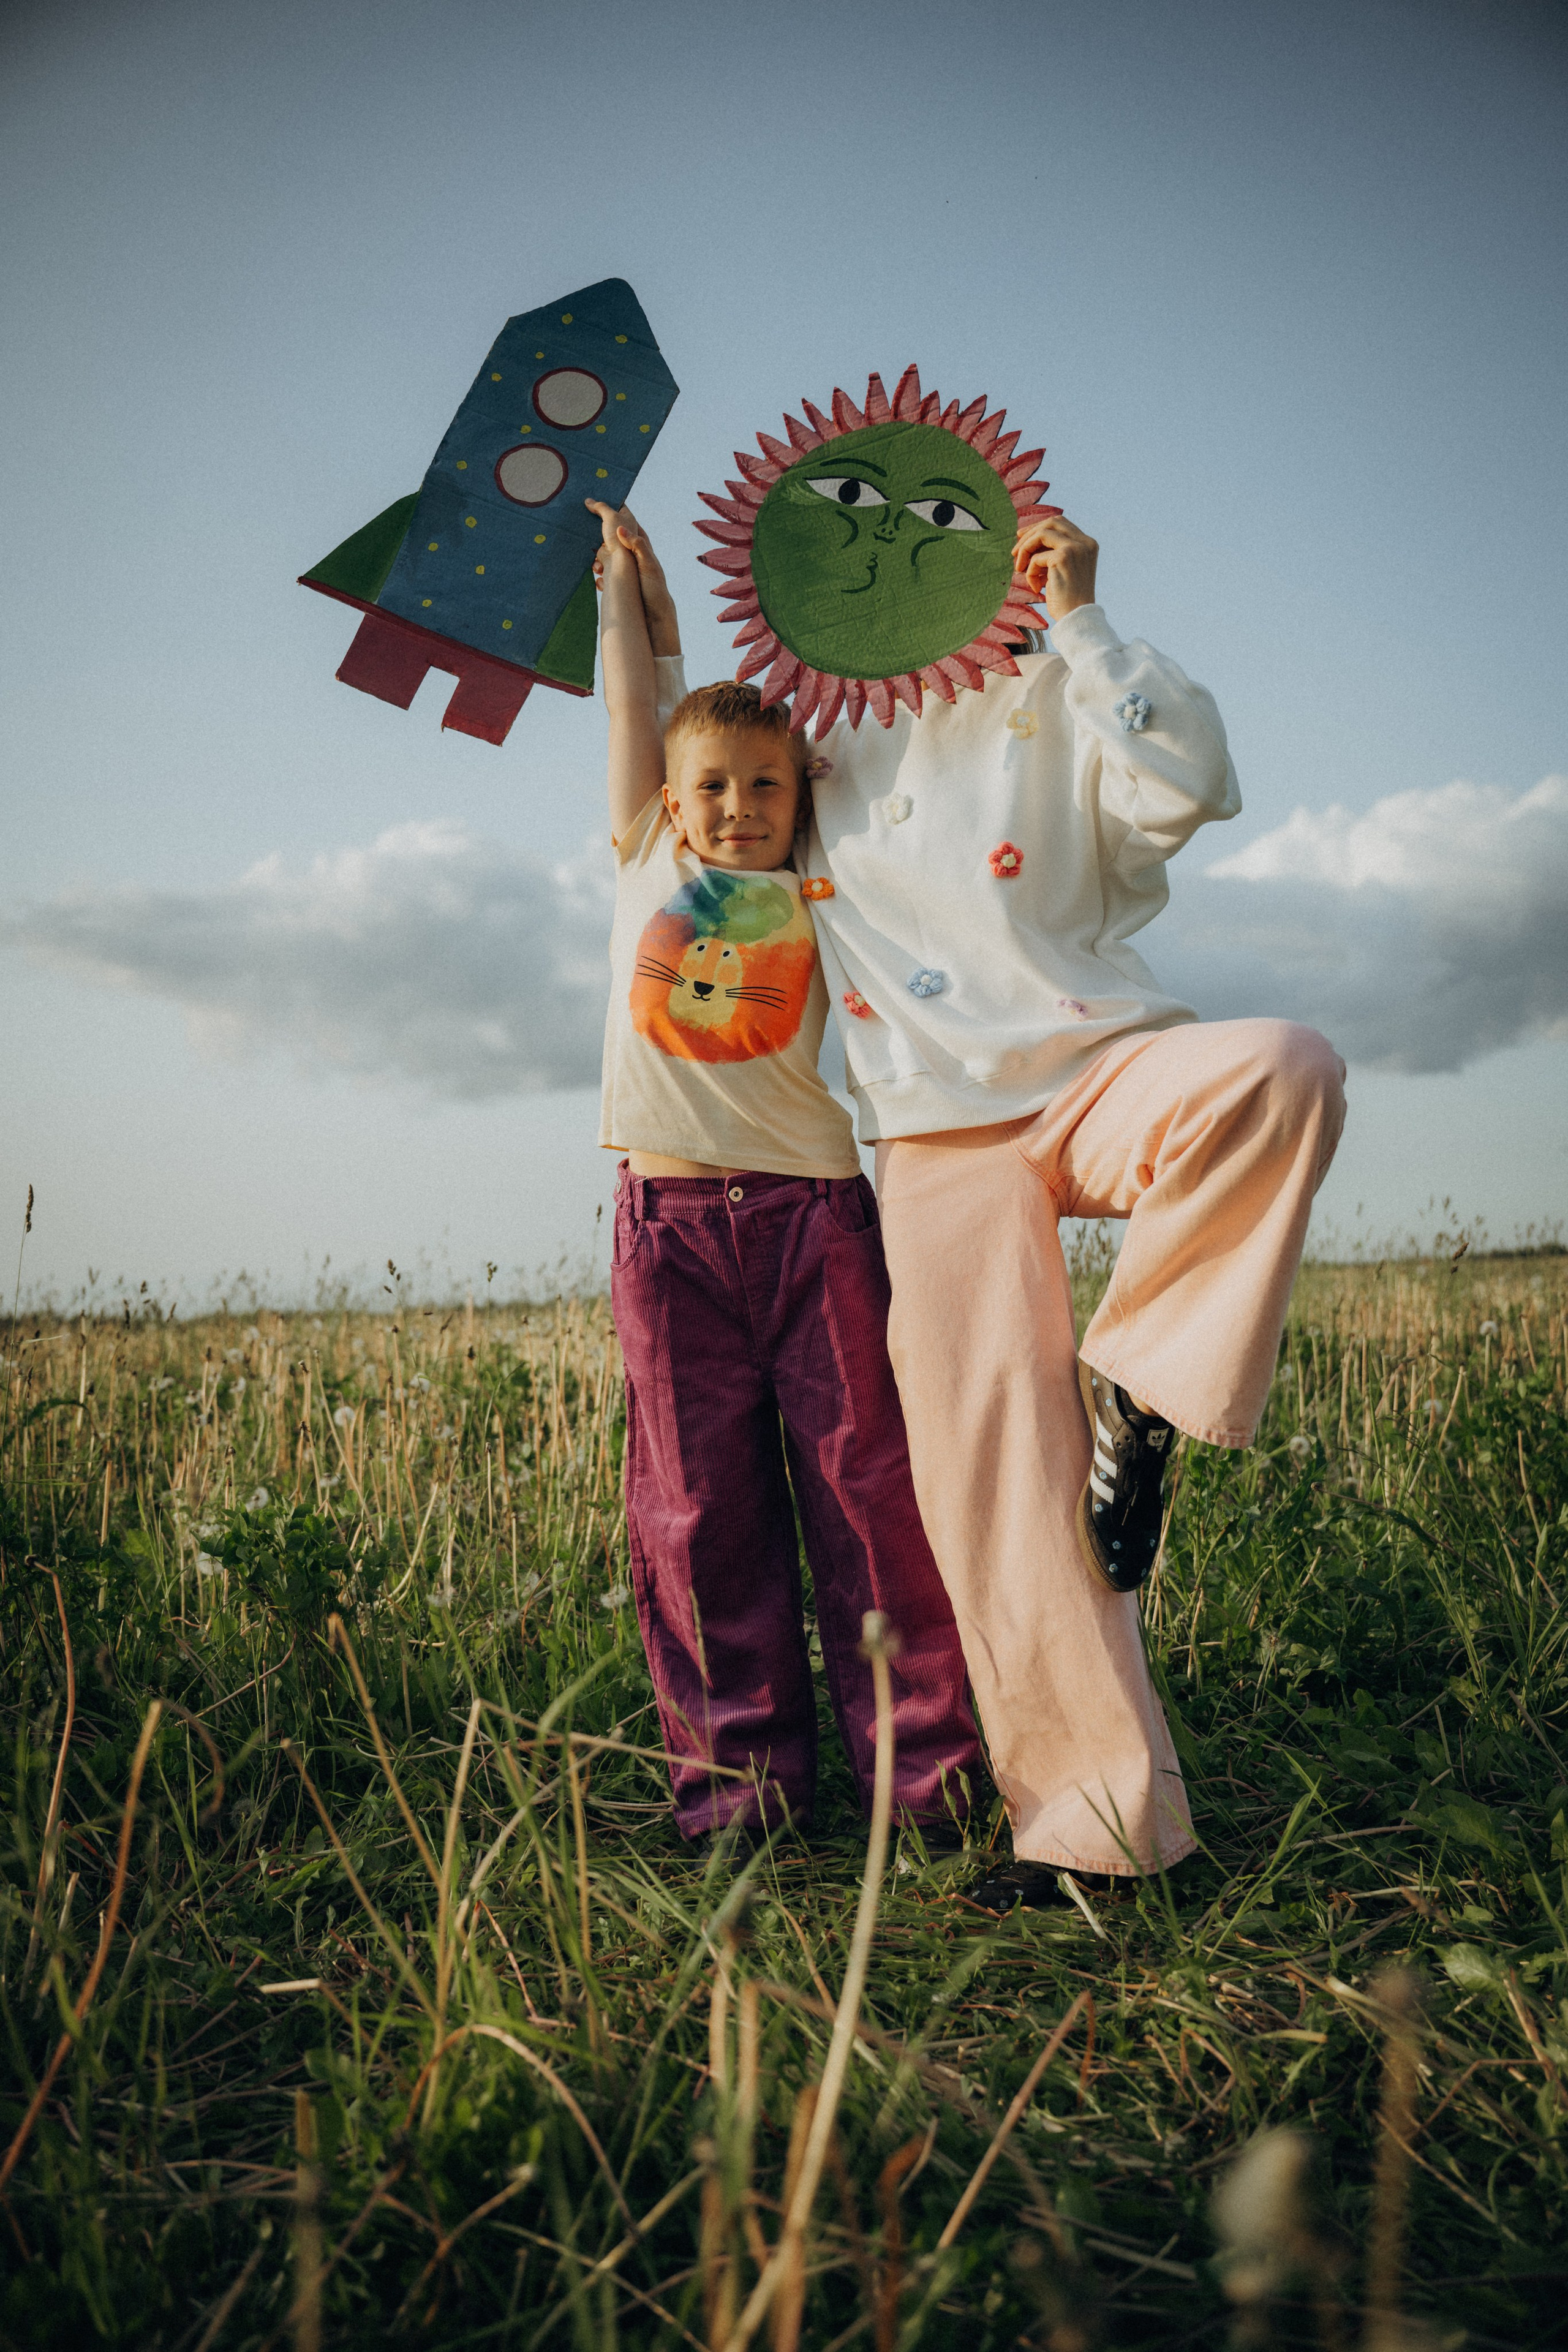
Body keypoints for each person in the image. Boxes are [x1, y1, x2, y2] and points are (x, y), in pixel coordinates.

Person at [668, 410, 1348, 1907]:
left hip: (1100, 1067)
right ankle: (1098, 1841)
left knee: (1283, 1071)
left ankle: (1145, 1384)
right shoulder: (800, 742)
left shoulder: (1055, 679)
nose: (885, 540)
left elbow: (1187, 785)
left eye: (922, 518)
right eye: (848, 512)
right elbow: (684, 777)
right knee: (997, 1483)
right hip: (930, 1141)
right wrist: (628, 608)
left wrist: (1086, 618)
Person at [586, 497, 984, 1852]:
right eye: (711, 788)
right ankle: (739, 1795)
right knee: (697, 1515)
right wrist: (626, 600)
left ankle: (921, 1782)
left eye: (763, 787)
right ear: (667, 802)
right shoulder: (643, 852)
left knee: (865, 1492)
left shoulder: (820, 872)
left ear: (796, 799)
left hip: (815, 1222)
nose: (737, 809)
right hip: (670, 1225)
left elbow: (874, 734)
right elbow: (638, 711)